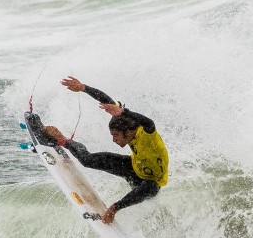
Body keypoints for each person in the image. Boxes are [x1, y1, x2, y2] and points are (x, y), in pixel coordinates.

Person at [37, 76, 168, 224]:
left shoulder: (147, 136)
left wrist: (124, 112)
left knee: (150, 187)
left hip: (149, 183)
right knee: (87, 160)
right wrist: (83, 87)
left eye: (116, 135)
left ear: (128, 131)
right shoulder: (124, 122)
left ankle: (114, 208)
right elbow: (107, 101)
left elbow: (149, 122)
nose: (114, 140)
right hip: (132, 167)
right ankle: (63, 140)